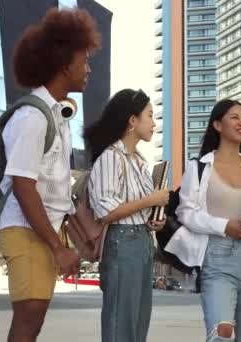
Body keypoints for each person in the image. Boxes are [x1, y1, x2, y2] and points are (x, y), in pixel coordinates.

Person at [0, 8, 100, 342]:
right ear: (63, 64)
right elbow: (24, 188)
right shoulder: (32, 117)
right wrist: (57, 248)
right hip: (27, 232)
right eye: (83, 60)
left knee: (33, 322)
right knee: (28, 321)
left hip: (40, 233)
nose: (88, 68)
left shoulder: (57, 116)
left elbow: (54, 189)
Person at [166, 99, 241, 342]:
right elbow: (185, 213)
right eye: (234, 117)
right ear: (217, 125)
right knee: (222, 333)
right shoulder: (199, 167)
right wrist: (225, 226)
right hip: (218, 256)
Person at [83, 88, 169, 342]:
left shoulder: (139, 162)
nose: (154, 123)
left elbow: (135, 208)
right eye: (149, 116)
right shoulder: (111, 157)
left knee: (138, 322)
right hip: (122, 243)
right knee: (122, 323)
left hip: (141, 242)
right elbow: (105, 210)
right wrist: (151, 199)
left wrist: (154, 218)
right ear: (132, 121)